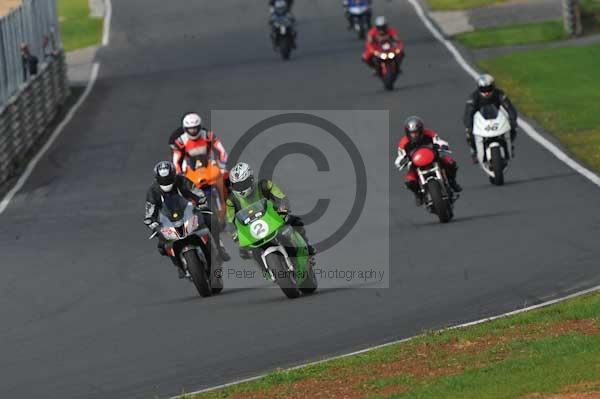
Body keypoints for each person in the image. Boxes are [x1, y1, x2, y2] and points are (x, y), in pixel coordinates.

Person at [144, 161, 230, 278]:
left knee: (212, 219)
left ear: (174, 175)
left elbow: (196, 191)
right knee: (161, 245)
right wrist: (151, 222)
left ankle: (220, 249)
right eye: (163, 179)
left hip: (188, 212)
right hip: (167, 219)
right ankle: (179, 266)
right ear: (157, 179)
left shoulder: (181, 180)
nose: (166, 182)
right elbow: (150, 210)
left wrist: (201, 202)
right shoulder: (153, 191)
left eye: (168, 178)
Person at [225, 162, 316, 258]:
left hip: (273, 219)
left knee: (296, 222)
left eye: (243, 184)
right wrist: (234, 233)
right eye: (237, 186)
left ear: (251, 179)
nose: (241, 189)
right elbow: (230, 220)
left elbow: (281, 198)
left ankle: (307, 246)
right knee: (244, 253)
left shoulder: (264, 185)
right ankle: (265, 270)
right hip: (250, 229)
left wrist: (283, 209)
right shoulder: (231, 200)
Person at [394, 116, 462, 205]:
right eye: (412, 133)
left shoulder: (429, 133)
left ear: (421, 130)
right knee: (410, 180)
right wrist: (402, 160)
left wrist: (441, 145)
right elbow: (400, 155)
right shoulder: (403, 142)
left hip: (433, 159)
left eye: (417, 132)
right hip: (416, 164)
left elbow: (439, 140)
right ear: (408, 133)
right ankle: (418, 194)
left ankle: (452, 181)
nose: (415, 135)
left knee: (450, 162)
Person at [463, 74, 518, 163]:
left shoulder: (500, 94)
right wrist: (469, 126)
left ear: (493, 86)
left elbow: (510, 108)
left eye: (489, 89)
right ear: (479, 88)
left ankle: (509, 144)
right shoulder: (473, 98)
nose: (486, 92)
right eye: (483, 90)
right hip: (480, 121)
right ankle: (475, 151)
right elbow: (468, 114)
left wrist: (513, 119)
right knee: (469, 133)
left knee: (513, 127)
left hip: (497, 119)